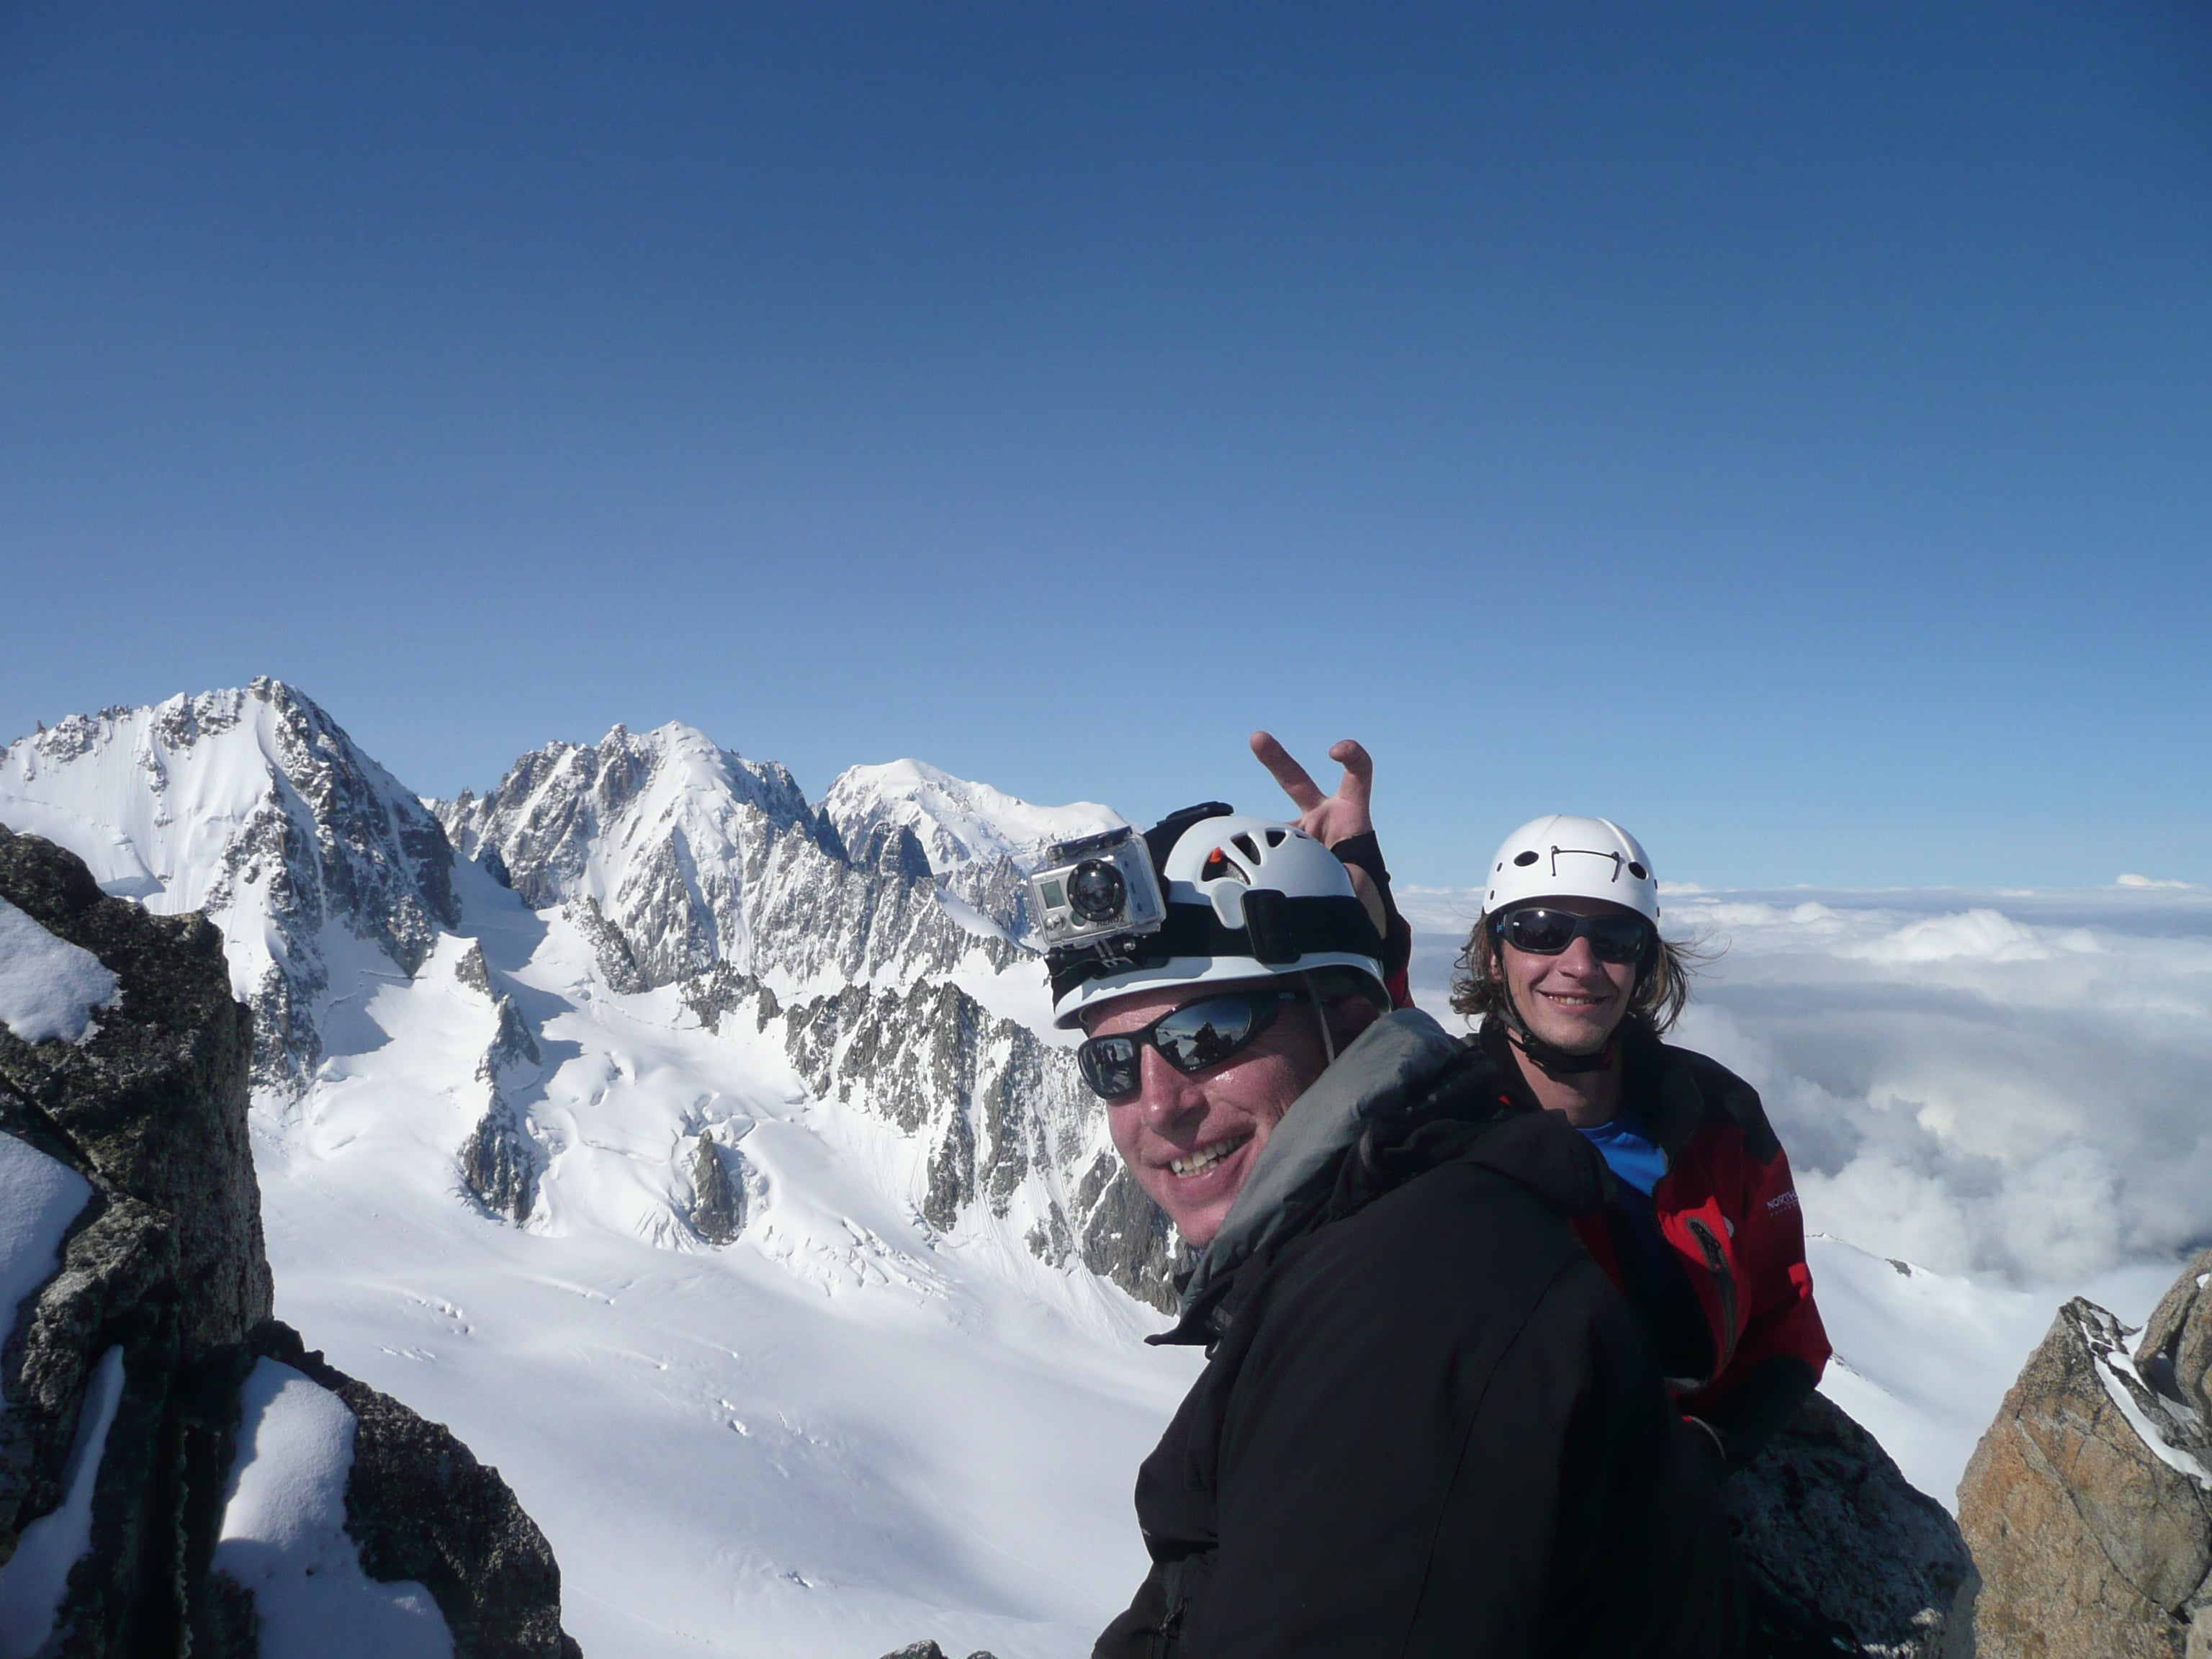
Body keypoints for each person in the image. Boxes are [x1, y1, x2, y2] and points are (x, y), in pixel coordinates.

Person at [1054, 800, 1745, 1658]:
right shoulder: (1373, 1210)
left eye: (1206, 1034)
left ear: (1345, 1024)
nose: (1159, 1106)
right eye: (1111, 1062)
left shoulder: (1409, 1314)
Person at [1250, 734, 1830, 1475]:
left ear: (1645, 961)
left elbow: (1786, 1322)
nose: (1579, 965)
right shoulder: (1440, 1119)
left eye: (1614, 937)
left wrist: (1711, 1450)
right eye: (1540, 931)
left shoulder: (1718, 1118)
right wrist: (1364, 899)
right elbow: (1366, 1056)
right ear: (1494, 954)